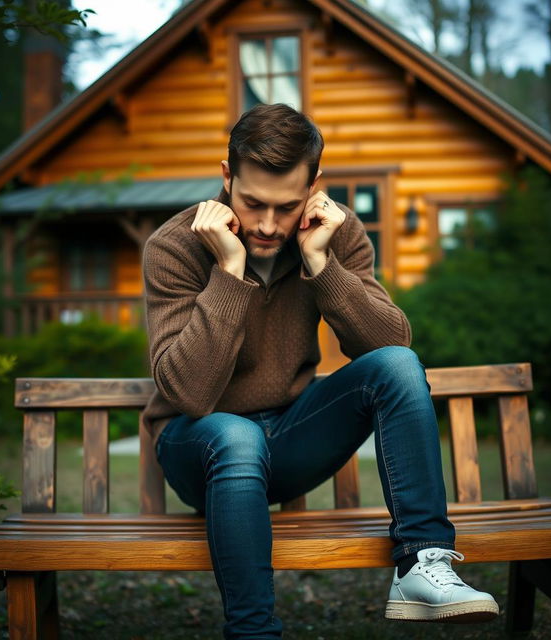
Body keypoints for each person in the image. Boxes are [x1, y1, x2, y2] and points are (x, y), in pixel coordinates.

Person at [141, 103, 498, 639]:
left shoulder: (334, 231)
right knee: (235, 435)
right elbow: (190, 392)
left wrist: (321, 264)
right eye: (252, 202)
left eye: (285, 207)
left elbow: (391, 347)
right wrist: (230, 271)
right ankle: (253, 632)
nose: (266, 224)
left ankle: (422, 564)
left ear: (314, 187)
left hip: (288, 441)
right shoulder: (175, 245)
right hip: (198, 446)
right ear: (225, 177)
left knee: (397, 366)